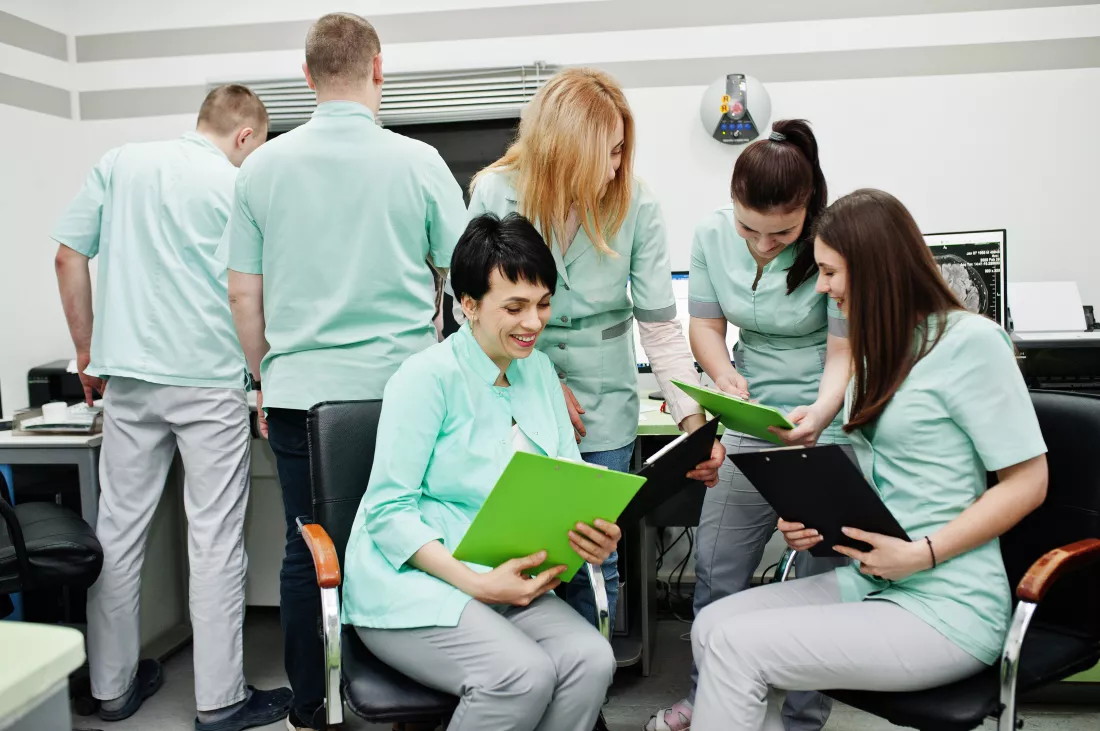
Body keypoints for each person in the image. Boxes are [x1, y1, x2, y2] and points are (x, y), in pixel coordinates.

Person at [689, 189, 1049, 731]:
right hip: (874, 582)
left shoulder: (972, 343)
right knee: (711, 626)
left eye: (831, 272)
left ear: (875, 268)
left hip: (947, 605)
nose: (822, 285)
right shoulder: (875, 350)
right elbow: (858, 471)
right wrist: (807, 519)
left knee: (738, 648)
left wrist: (923, 554)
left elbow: (1029, 482)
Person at [221, 13, 468, 730]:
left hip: (302, 395)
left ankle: (310, 709)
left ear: (307, 78)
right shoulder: (418, 162)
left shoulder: (260, 168)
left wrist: (263, 378)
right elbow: (467, 280)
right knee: (412, 539)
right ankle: (415, 693)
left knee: (308, 550)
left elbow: (244, 294)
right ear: (378, 69)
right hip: (402, 395)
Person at [51, 85, 292, 729]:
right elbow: (256, 291)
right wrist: (264, 374)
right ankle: (220, 700)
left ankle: (112, 689)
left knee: (118, 533)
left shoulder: (121, 160)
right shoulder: (237, 186)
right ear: (245, 136)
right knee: (214, 539)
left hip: (127, 378)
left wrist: (84, 350)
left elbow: (67, 255)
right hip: (210, 382)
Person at [465, 67, 725, 633]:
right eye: (607, 152)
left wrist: (691, 421)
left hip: (603, 405)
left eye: (621, 150)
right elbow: (476, 314)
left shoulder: (636, 202)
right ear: (565, 151)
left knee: (593, 556)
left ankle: (590, 689)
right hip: (516, 386)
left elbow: (659, 327)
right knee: (518, 550)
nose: (616, 165)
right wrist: (538, 378)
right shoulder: (496, 192)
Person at [345, 212, 618, 730]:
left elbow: (570, 479)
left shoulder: (538, 372)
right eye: (514, 307)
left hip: (505, 577)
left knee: (591, 660)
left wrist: (595, 531)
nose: (534, 323)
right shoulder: (425, 378)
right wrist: (478, 586)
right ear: (468, 305)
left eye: (543, 304)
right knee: (520, 675)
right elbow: (387, 511)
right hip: (415, 582)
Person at [647, 119, 851, 731]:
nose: (763, 245)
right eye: (748, 229)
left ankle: (802, 719)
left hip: (823, 420)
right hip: (749, 418)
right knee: (716, 569)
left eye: (781, 233)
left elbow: (844, 352)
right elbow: (706, 328)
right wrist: (721, 378)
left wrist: (819, 415)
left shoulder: (835, 241)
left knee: (821, 581)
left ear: (808, 207)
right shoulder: (711, 233)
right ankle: (708, 698)